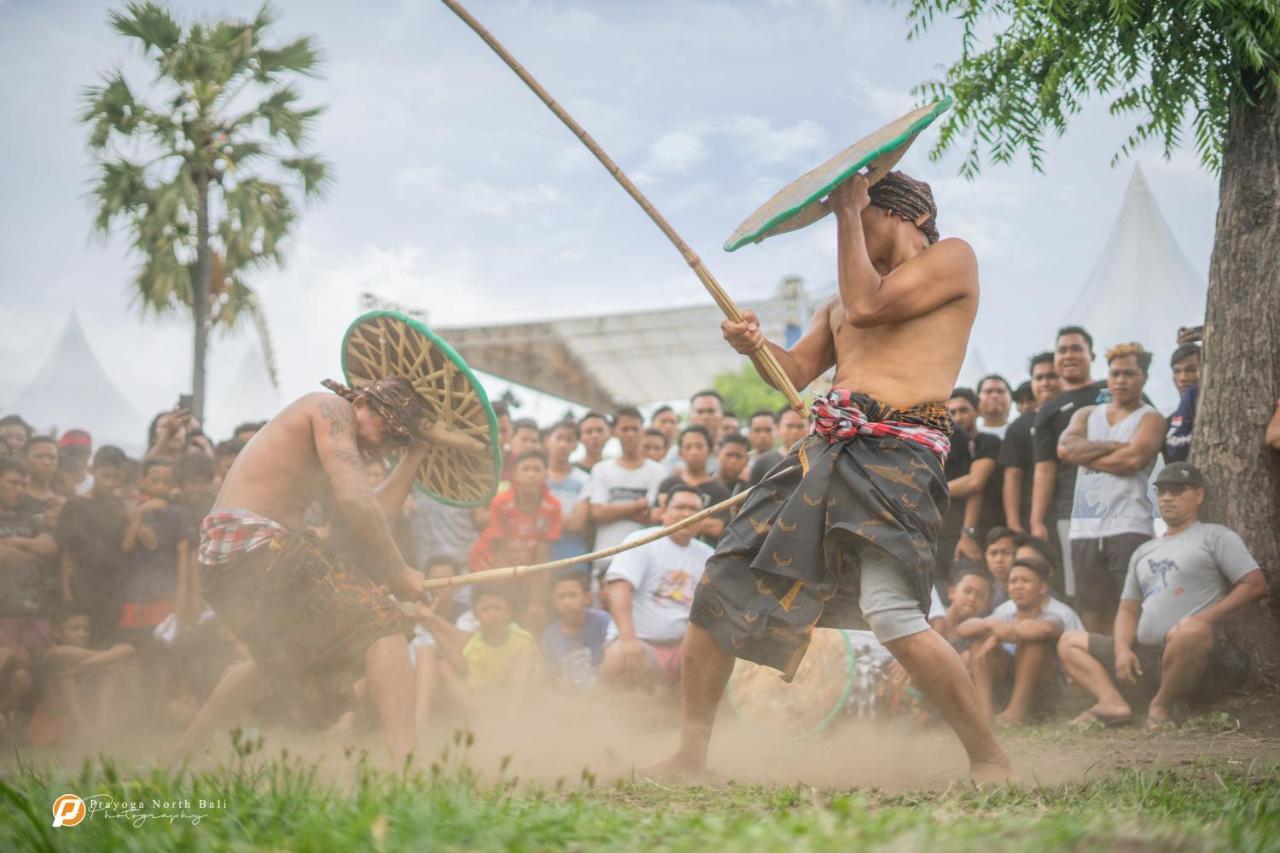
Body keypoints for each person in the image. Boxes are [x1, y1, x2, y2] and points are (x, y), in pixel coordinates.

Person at [650, 171, 1010, 782]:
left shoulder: (953, 259)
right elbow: (795, 371)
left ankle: (988, 757)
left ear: (904, 215)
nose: (846, 237)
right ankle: (690, 755)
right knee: (719, 588)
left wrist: (846, 207)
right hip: (822, 453)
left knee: (892, 614)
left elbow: (872, 306)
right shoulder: (840, 302)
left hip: (899, 455)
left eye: (858, 218)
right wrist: (757, 347)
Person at [171, 376, 447, 767]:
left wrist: (415, 454)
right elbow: (355, 499)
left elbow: (368, 513)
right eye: (384, 430)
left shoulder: (330, 447)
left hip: (228, 562)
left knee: (277, 665)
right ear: (364, 401)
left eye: (391, 442)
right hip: (253, 545)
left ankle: (174, 762)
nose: (380, 445)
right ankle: (408, 769)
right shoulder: (330, 408)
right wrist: (398, 571)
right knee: (382, 620)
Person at [1058, 463, 1268, 730]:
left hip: (1202, 657)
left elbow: (1254, 585)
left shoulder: (1215, 536)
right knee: (1069, 641)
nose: (1167, 497)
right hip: (1147, 659)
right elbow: (1128, 609)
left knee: (1191, 630)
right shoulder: (1145, 550)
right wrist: (1122, 648)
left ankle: (1161, 705)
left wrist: (1200, 621)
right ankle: (1111, 702)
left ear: (1199, 495)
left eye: (1177, 490)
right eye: (1162, 491)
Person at [1059, 343, 1164, 632]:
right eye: (1115, 373)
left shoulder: (1150, 418)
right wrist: (1112, 448)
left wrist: (1089, 455)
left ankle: (1130, 672)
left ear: (1143, 376)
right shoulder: (1086, 414)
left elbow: (1134, 459)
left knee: (1130, 608)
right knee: (1090, 612)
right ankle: (1096, 670)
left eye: (1129, 373)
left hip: (1130, 526)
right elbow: (1066, 450)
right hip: (1084, 528)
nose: (1120, 380)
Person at [601, 485, 710, 690]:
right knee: (619, 658)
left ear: (704, 517)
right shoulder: (643, 540)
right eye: (680, 507)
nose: (687, 513)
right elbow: (618, 587)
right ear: (664, 512)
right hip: (638, 642)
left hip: (682, 648)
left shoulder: (708, 556)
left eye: (695, 509)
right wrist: (627, 637)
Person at [1031, 326, 1107, 601]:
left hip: (1125, 508)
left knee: (1125, 585)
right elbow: (1044, 468)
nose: (1069, 355)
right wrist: (1037, 520)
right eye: (1062, 350)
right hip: (1071, 510)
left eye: (1077, 348)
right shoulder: (1049, 409)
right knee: (1081, 590)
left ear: (1092, 355)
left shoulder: (1116, 389)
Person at [960, 556, 1082, 724]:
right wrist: (990, 623)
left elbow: (1042, 629)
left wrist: (996, 636)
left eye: (1025, 581)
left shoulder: (1053, 616)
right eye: (1013, 581)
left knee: (1033, 641)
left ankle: (1014, 713)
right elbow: (963, 629)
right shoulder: (1002, 615)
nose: (1018, 586)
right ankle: (984, 712)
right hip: (1007, 685)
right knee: (978, 641)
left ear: (1042, 588)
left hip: (1041, 694)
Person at [469, 449, 561, 629]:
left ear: (546, 475)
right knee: (495, 614)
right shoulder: (501, 503)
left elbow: (542, 555)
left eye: (536, 469)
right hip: (489, 563)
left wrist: (536, 602)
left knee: (530, 615)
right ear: (515, 476)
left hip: (524, 568)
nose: (531, 474)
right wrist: (508, 592)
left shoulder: (553, 506)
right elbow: (499, 549)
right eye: (526, 469)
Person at [56, 446, 129, 643]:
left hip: (114, 586)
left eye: (116, 477)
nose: (111, 482)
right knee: (85, 639)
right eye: (106, 475)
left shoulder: (120, 506)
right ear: (92, 470)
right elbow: (65, 552)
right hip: (83, 584)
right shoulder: (74, 505)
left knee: (109, 637)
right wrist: (66, 592)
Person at [588, 407, 664, 579]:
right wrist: (639, 504)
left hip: (644, 557)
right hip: (606, 554)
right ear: (614, 432)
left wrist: (613, 509)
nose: (630, 434)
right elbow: (597, 513)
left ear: (642, 431)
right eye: (625, 429)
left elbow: (655, 516)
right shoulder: (601, 469)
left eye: (635, 429)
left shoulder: (657, 471)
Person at [1000, 353, 1061, 531]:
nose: (1045, 383)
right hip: (1033, 519)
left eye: (1051, 376)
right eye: (1039, 377)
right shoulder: (1019, 426)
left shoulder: (1078, 413)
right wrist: (1013, 523)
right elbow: (1013, 475)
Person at [944, 388, 1001, 570]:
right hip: (947, 531)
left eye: (964, 410)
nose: (958, 417)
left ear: (977, 411)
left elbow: (975, 483)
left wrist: (928, 491)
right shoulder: (945, 448)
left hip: (983, 529)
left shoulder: (988, 441)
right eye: (952, 412)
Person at [459, 586, 538, 710]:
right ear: (476, 614)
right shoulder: (472, 650)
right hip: (492, 704)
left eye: (497, 608)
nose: (492, 614)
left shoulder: (525, 640)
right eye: (486, 609)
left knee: (524, 656)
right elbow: (478, 690)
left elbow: (539, 674)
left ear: (508, 612)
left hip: (528, 699)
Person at [541, 572, 615, 690]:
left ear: (587, 598)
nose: (567, 602)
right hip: (568, 696)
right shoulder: (550, 636)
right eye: (561, 596)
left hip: (604, 690)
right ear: (554, 601)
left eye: (572, 595)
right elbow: (552, 675)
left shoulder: (603, 622)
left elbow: (612, 665)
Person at [656, 426, 729, 543]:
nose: (693, 452)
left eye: (699, 446)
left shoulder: (719, 490)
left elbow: (717, 528)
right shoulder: (669, 483)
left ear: (710, 450)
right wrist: (703, 521)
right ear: (680, 452)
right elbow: (656, 516)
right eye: (688, 447)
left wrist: (673, 516)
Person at [544, 420, 592, 565]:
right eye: (559, 438)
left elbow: (577, 524)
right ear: (547, 441)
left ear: (576, 446)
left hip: (572, 549)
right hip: (536, 549)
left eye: (569, 440)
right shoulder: (535, 475)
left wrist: (542, 519)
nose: (563, 444)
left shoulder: (585, 480)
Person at [1162, 343, 1202, 464]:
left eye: (1191, 370)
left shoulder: (1218, 413)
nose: (1183, 378)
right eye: (1177, 371)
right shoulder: (1167, 423)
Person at [932, 567, 993, 646]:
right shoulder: (930, 617)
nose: (972, 598)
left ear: (985, 605)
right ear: (952, 592)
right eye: (967, 591)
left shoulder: (980, 636)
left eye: (980, 596)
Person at [21, 436, 62, 517]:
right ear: (25, 459)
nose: (46, 462)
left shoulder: (62, 497)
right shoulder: (15, 495)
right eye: (38, 456)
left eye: (52, 457)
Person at [983, 527, 1019, 611]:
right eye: (993, 553)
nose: (999, 560)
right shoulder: (982, 593)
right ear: (986, 557)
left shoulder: (1033, 590)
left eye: (1006, 553)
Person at [745, 410, 782, 485]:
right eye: (757, 430)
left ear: (777, 432)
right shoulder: (743, 462)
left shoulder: (784, 461)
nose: (763, 435)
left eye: (768, 430)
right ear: (749, 433)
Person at [55, 429, 94, 497]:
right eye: (71, 451)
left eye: (81, 452)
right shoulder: (49, 481)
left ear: (89, 454)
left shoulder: (96, 485)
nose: (75, 457)